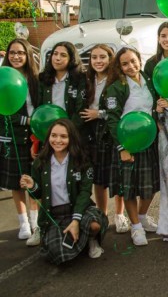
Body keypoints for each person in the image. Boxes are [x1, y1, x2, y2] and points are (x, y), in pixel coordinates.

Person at [19, 119, 108, 264]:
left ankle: (91, 239)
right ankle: (79, 242)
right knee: (59, 254)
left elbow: (85, 193)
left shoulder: (82, 161)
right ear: (48, 137)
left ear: (71, 138)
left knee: (94, 225)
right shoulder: (39, 162)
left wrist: (75, 221)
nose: (57, 140)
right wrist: (32, 186)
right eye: (53, 136)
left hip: (79, 209)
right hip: (55, 214)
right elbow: (38, 195)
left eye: (63, 136)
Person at [105, 47, 160, 246]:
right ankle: (136, 227)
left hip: (149, 140)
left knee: (152, 185)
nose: (131, 66)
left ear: (139, 60)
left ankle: (143, 216)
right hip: (127, 142)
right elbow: (111, 120)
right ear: (119, 67)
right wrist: (122, 148)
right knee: (129, 188)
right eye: (125, 63)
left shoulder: (149, 80)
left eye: (133, 61)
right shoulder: (116, 87)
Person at [78, 45, 129, 234]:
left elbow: (121, 110)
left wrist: (98, 113)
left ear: (110, 59)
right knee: (99, 178)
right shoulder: (87, 80)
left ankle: (120, 214)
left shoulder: (117, 80)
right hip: (92, 134)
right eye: (94, 58)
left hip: (111, 132)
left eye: (102, 57)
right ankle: (103, 214)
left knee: (117, 176)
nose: (98, 61)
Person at [1, 39, 40, 245]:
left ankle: (35, 220)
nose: (16, 56)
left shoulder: (35, 79)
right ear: (8, 55)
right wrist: (26, 120)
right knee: (17, 181)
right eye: (13, 52)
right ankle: (23, 221)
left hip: (34, 135)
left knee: (34, 178)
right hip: (13, 135)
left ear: (27, 56)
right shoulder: (2, 78)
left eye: (21, 53)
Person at [39, 41, 84, 120]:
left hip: (71, 128)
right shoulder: (43, 78)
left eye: (63, 55)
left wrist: (68, 129)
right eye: (55, 54)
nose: (57, 58)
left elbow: (81, 110)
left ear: (71, 59)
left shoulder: (80, 79)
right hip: (49, 127)